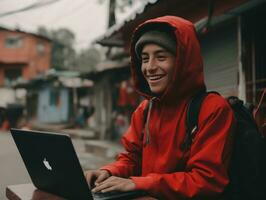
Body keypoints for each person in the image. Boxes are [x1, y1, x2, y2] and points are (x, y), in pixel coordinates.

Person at [85, 16, 235, 199]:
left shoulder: (213, 109)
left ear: (182, 61)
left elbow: (206, 180)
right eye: (145, 59)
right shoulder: (145, 111)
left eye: (161, 57)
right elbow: (132, 159)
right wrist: (108, 171)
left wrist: (140, 182)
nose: (150, 67)